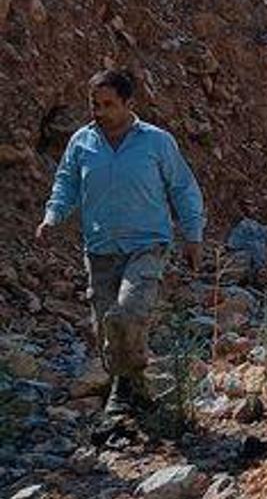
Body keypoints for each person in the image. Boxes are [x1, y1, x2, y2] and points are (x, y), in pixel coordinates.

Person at [36, 68, 206, 417]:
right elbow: (67, 183)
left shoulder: (157, 142)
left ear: (129, 104)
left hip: (147, 244)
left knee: (128, 311)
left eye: (108, 104)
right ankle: (133, 390)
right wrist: (53, 216)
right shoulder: (82, 142)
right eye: (94, 104)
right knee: (106, 326)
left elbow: (183, 188)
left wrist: (193, 236)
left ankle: (123, 389)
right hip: (99, 249)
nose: (99, 111)